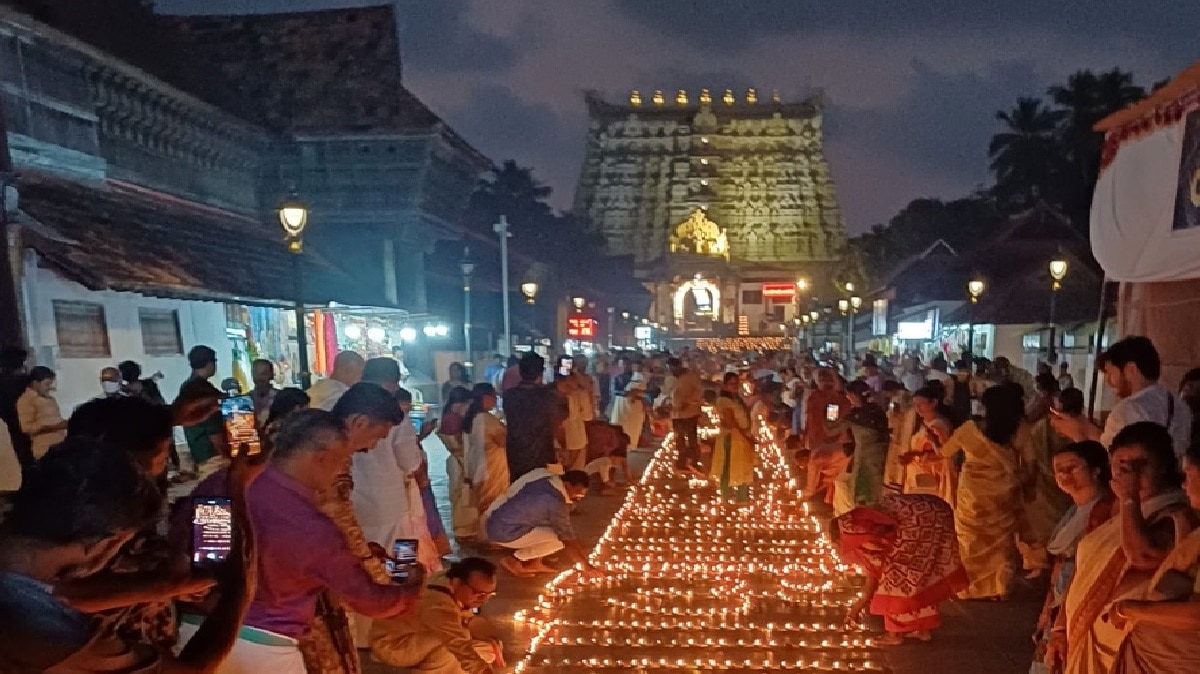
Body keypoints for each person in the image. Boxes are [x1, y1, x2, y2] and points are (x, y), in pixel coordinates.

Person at [175, 409, 421, 674]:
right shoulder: (313, 529)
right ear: (323, 458)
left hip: (199, 637)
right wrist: (411, 586)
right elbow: (372, 601)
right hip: (266, 648)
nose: (340, 471)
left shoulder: (223, 484)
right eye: (343, 461)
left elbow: (207, 556)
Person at [0, 437, 256, 674]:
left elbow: (64, 592)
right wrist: (240, 591)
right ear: (102, 544)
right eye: (121, 545)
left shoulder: (20, 574)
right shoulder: (47, 633)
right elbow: (191, 670)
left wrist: (171, 585)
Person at [1054, 422, 1190, 674]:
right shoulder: (1108, 506)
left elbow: (1143, 556)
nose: (1131, 474)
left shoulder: (1175, 513)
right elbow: (1082, 566)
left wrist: (1130, 498)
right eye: (1122, 466)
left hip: (1121, 642)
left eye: (1140, 465)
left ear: (1163, 467)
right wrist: (1059, 627)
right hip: (1084, 630)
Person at [1106, 441, 1200, 673]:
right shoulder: (1187, 521)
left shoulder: (1169, 511)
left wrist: (1129, 609)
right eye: (1123, 467)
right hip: (1152, 655)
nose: (1184, 483)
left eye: (1189, 474)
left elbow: (1143, 556)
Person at [934, 384, 1031, 599]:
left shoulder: (970, 429)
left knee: (970, 540)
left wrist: (938, 438)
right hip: (1004, 494)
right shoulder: (1020, 427)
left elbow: (945, 452)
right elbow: (1030, 463)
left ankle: (969, 589)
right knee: (1002, 542)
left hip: (973, 496)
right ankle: (1000, 587)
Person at [837, 493, 969, 645]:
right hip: (935, 511)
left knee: (896, 575)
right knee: (920, 574)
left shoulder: (855, 534)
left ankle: (894, 634)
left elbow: (875, 572)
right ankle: (922, 629)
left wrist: (858, 606)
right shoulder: (853, 521)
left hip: (920, 520)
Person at [1031, 441, 1116, 672]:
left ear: (1096, 470)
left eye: (1073, 467)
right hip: (1061, 602)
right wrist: (1047, 612)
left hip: (1083, 601)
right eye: (1059, 469)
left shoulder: (1107, 511)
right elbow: (1059, 564)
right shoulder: (1074, 510)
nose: (1064, 474)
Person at [352, 359, 441, 575]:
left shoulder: (340, 405)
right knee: (401, 560)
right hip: (390, 504)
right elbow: (410, 462)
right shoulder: (395, 416)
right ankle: (402, 594)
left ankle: (371, 598)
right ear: (392, 383)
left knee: (362, 558)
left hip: (353, 503)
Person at [370, 557, 503, 674]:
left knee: (487, 648)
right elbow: (457, 644)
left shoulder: (448, 578)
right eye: (478, 593)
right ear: (457, 582)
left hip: (418, 634)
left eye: (489, 595)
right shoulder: (439, 603)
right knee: (456, 643)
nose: (483, 600)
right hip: (393, 644)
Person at [483, 468, 600, 578]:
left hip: (494, 519)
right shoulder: (556, 503)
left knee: (554, 526)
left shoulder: (543, 476)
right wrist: (587, 567)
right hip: (506, 532)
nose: (577, 498)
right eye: (577, 494)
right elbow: (567, 539)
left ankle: (535, 563)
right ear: (567, 485)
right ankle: (514, 560)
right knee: (559, 540)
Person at [503, 354, 566, 480]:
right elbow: (560, 419)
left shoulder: (509, 395)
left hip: (516, 452)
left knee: (518, 488)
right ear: (541, 373)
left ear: (520, 372)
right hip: (541, 453)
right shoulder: (548, 396)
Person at [833, 380, 890, 513]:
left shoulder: (857, 415)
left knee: (866, 489)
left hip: (870, 455)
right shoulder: (875, 409)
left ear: (854, 395)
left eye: (849, 396)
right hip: (871, 454)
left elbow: (833, 428)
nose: (848, 399)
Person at [900, 385, 958, 505]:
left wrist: (916, 455)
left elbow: (944, 454)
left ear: (933, 403)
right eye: (915, 405)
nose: (918, 409)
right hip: (917, 476)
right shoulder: (923, 424)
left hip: (931, 478)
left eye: (921, 404)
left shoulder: (939, 426)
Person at [176, 346, 228, 478]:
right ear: (210, 363)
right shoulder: (203, 390)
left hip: (199, 453)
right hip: (213, 457)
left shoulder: (187, 386)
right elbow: (213, 429)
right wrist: (226, 454)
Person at [805, 367, 851, 504]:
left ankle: (825, 501)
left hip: (831, 440)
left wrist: (831, 438)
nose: (825, 383)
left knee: (828, 471)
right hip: (816, 437)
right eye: (821, 380)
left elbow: (832, 423)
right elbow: (810, 418)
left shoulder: (835, 398)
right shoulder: (814, 396)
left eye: (828, 379)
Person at [439, 386, 478, 542]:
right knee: (463, 496)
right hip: (460, 461)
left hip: (457, 461)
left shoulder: (449, 416)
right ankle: (464, 530)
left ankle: (464, 530)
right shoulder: (454, 419)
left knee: (461, 496)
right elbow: (460, 443)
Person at [465, 383, 509, 517]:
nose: (495, 400)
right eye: (493, 396)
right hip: (491, 468)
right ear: (485, 398)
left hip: (478, 467)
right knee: (494, 505)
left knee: (485, 506)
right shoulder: (487, 419)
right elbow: (503, 442)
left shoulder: (472, 417)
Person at [711, 372, 755, 503]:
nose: (735, 386)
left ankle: (742, 497)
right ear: (725, 385)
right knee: (728, 467)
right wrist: (746, 437)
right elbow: (731, 422)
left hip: (743, 436)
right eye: (732, 384)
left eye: (737, 383)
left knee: (744, 466)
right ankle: (726, 497)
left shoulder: (737, 399)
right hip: (731, 437)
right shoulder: (723, 401)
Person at [17, 366, 67, 460]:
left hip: (60, 445)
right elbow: (27, 428)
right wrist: (54, 427)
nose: (49, 388)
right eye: (46, 384)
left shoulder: (50, 399)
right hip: (44, 449)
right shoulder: (26, 400)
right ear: (35, 383)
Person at [665, 357, 704, 475]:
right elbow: (667, 393)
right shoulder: (669, 379)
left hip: (690, 413)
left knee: (692, 438)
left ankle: (694, 461)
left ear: (679, 366)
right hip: (676, 414)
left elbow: (699, 392)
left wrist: (687, 403)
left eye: (673, 368)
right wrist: (666, 403)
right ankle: (681, 461)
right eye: (670, 369)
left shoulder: (691, 377)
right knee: (679, 438)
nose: (672, 371)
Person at [609, 361, 647, 448]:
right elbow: (615, 391)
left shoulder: (640, 377)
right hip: (622, 404)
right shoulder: (618, 378)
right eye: (624, 364)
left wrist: (638, 393)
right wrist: (627, 393)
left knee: (634, 425)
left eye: (629, 364)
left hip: (635, 405)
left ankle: (633, 443)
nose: (627, 366)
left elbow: (644, 391)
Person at [249, 359, 278, 429]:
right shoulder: (245, 399)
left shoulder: (280, 397)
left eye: (263, 374)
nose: (259, 378)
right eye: (256, 373)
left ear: (271, 375)